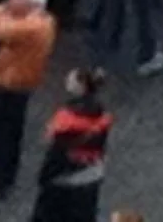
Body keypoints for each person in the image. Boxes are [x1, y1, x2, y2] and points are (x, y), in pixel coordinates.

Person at [0, 0, 59, 197]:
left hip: (8, 84)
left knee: (1, 133)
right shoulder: (41, 21)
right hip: (15, 83)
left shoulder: (33, 26)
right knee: (7, 131)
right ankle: (0, 175)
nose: (12, 0)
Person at [30, 68, 113, 222]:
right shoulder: (101, 116)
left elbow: (57, 150)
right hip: (91, 175)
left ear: (81, 86)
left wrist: (45, 176)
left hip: (64, 179)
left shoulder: (67, 119)